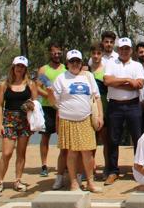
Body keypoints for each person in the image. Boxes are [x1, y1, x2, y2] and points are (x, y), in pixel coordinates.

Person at [46, 50, 103, 193]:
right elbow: (54, 103)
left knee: (87, 153)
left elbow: (97, 97)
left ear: (81, 62)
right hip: (67, 120)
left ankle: (90, 182)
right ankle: (73, 183)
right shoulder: (61, 78)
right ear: (67, 63)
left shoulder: (88, 76)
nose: (75, 64)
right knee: (71, 153)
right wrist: (49, 94)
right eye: (72, 61)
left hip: (85, 119)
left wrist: (100, 116)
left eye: (77, 61)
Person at [0, 56, 38, 197]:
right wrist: (0, 123)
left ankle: (18, 180)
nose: (20, 68)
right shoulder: (4, 85)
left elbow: (35, 102)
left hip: (24, 121)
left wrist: (30, 106)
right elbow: (0, 105)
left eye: (22, 66)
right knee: (6, 153)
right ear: (13, 67)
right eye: (18, 66)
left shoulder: (30, 84)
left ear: (25, 69)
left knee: (21, 152)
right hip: (9, 120)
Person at [103, 37, 144, 185]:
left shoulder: (137, 65)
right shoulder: (110, 63)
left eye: (127, 48)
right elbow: (107, 81)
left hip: (133, 105)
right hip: (115, 106)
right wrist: (128, 80)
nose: (125, 51)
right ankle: (113, 171)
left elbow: (139, 84)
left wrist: (117, 82)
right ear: (118, 49)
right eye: (122, 48)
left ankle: (138, 170)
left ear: (131, 50)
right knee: (113, 139)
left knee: (137, 139)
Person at [36, 42, 67, 178]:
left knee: (64, 138)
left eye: (59, 52)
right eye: (54, 52)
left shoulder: (66, 69)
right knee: (45, 136)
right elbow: (38, 87)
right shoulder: (43, 70)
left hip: (61, 108)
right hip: (47, 107)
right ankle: (44, 165)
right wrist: (49, 96)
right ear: (50, 53)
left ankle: (64, 163)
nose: (56, 55)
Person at [88, 43, 109, 179]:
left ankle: (107, 168)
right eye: (94, 53)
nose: (96, 56)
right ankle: (90, 168)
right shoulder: (86, 70)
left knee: (105, 139)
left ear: (102, 54)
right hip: (89, 107)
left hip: (104, 105)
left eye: (98, 53)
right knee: (90, 141)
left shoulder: (107, 69)